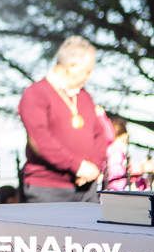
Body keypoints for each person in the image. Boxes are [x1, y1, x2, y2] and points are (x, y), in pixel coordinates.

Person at [18, 36, 110, 203]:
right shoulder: (36, 93)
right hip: (48, 190)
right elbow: (39, 140)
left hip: (87, 188)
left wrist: (93, 167)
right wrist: (77, 166)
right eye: (88, 71)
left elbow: (100, 135)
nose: (89, 76)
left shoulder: (84, 97)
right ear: (72, 66)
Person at [104, 115, 152, 191]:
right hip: (114, 192)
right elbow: (114, 173)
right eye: (123, 141)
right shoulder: (114, 152)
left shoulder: (117, 152)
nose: (124, 145)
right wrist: (140, 168)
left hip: (118, 190)